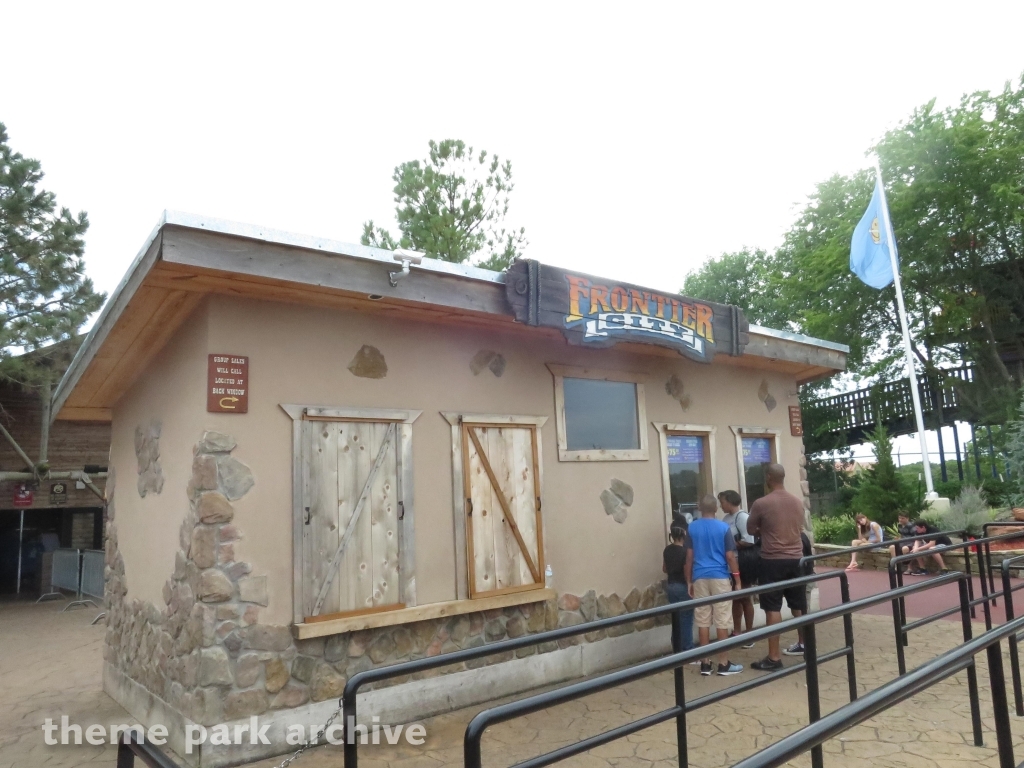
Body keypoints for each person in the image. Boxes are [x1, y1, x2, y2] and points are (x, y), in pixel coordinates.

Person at [745, 463, 807, 670]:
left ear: (769, 477)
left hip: (772, 560)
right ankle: (804, 643)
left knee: (772, 607)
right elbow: (800, 526)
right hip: (797, 558)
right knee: (798, 604)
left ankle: (773, 657)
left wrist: (766, 529)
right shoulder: (798, 502)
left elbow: (751, 528)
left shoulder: (761, 503)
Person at [685, 495, 743, 676]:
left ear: (700, 508)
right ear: (716, 508)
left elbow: (689, 557)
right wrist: (737, 579)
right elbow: (730, 556)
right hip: (719, 576)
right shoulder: (724, 528)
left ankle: (705, 663)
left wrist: (689, 580)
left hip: (699, 576)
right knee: (722, 619)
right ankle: (723, 663)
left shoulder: (692, 528)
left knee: (702, 620)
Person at [719, 490, 757, 647]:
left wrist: (731, 545)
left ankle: (749, 633)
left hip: (743, 562)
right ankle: (736, 630)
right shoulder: (726, 518)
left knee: (745, 597)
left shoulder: (742, 517)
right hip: (730, 564)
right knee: (735, 598)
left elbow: (749, 540)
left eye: (722, 501)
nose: (721, 505)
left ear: (730, 501)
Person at [663, 525, 695, 653]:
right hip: (683, 585)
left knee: (676, 618)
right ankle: (687, 648)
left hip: (670, 586)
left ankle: (676, 647)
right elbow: (687, 568)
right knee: (686, 618)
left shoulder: (667, 550)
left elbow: (664, 568)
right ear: (684, 536)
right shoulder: (685, 551)